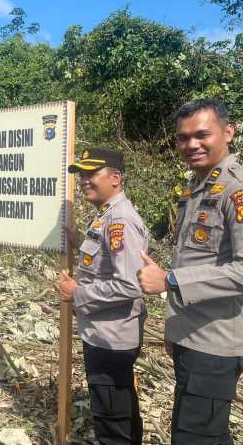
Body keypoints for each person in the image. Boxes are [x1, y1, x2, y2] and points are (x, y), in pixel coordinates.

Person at [137, 98, 243, 444]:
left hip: (217, 344)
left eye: (202, 135)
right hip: (192, 337)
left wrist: (169, 280)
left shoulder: (242, 190)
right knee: (200, 434)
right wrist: (176, 329)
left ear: (228, 132)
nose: (191, 145)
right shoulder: (197, 187)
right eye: (183, 138)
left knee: (194, 438)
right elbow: (196, 261)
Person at [58, 148, 148, 445]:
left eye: (91, 174)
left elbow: (130, 284)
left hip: (111, 337)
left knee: (111, 421)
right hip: (102, 331)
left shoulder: (120, 221)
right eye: (82, 175)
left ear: (115, 178)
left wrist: (78, 293)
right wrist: (78, 241)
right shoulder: (105, 216)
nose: (85, 180)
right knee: (120, 412)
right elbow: (107, 263)